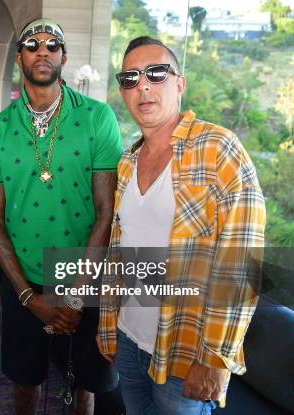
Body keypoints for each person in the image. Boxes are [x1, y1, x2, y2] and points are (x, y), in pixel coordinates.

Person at [97, 36, 266, 414]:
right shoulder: (127, 161)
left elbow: (243, 261)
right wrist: (108, 325)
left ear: (180, 83)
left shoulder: (218, 149)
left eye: (156, 73)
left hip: (186, 350)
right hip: (128, 337)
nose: (143, 86)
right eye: (130, 78)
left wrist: (216, 358)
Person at [0, 18, 125, 415]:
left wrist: (75, 294)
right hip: (22, 275)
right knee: (24, 381)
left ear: (64, 56)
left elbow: (106, 211)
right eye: (32, 44)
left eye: (52, 45)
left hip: (86, 272)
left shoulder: (97, 118)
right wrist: (29, 297)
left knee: (87, 384)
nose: (42, 51)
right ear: (19, 56)